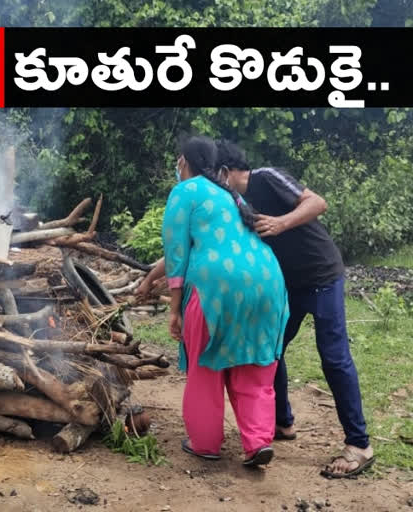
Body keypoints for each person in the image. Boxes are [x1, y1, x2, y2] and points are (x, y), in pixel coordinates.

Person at [215, 140, 374, 479]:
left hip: (322, 275)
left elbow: (317, 202)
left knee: (333, 356)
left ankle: (359, 444)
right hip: (289, 285)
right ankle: (282, 422)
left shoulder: (267, 177)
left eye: (213, 176)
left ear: (225, 172)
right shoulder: (232, 201)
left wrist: (281, 223)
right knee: (272, 350)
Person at [159, 136, 290, 466]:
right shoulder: (232, 196)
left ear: (184, 162)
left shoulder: (184, 192)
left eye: (179, 161)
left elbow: (176, 255)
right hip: (268, 283)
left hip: (215, 288)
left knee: (205, 367)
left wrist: (174, 311)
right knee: (255, 367)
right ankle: (258, 441)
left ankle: (205, 443)